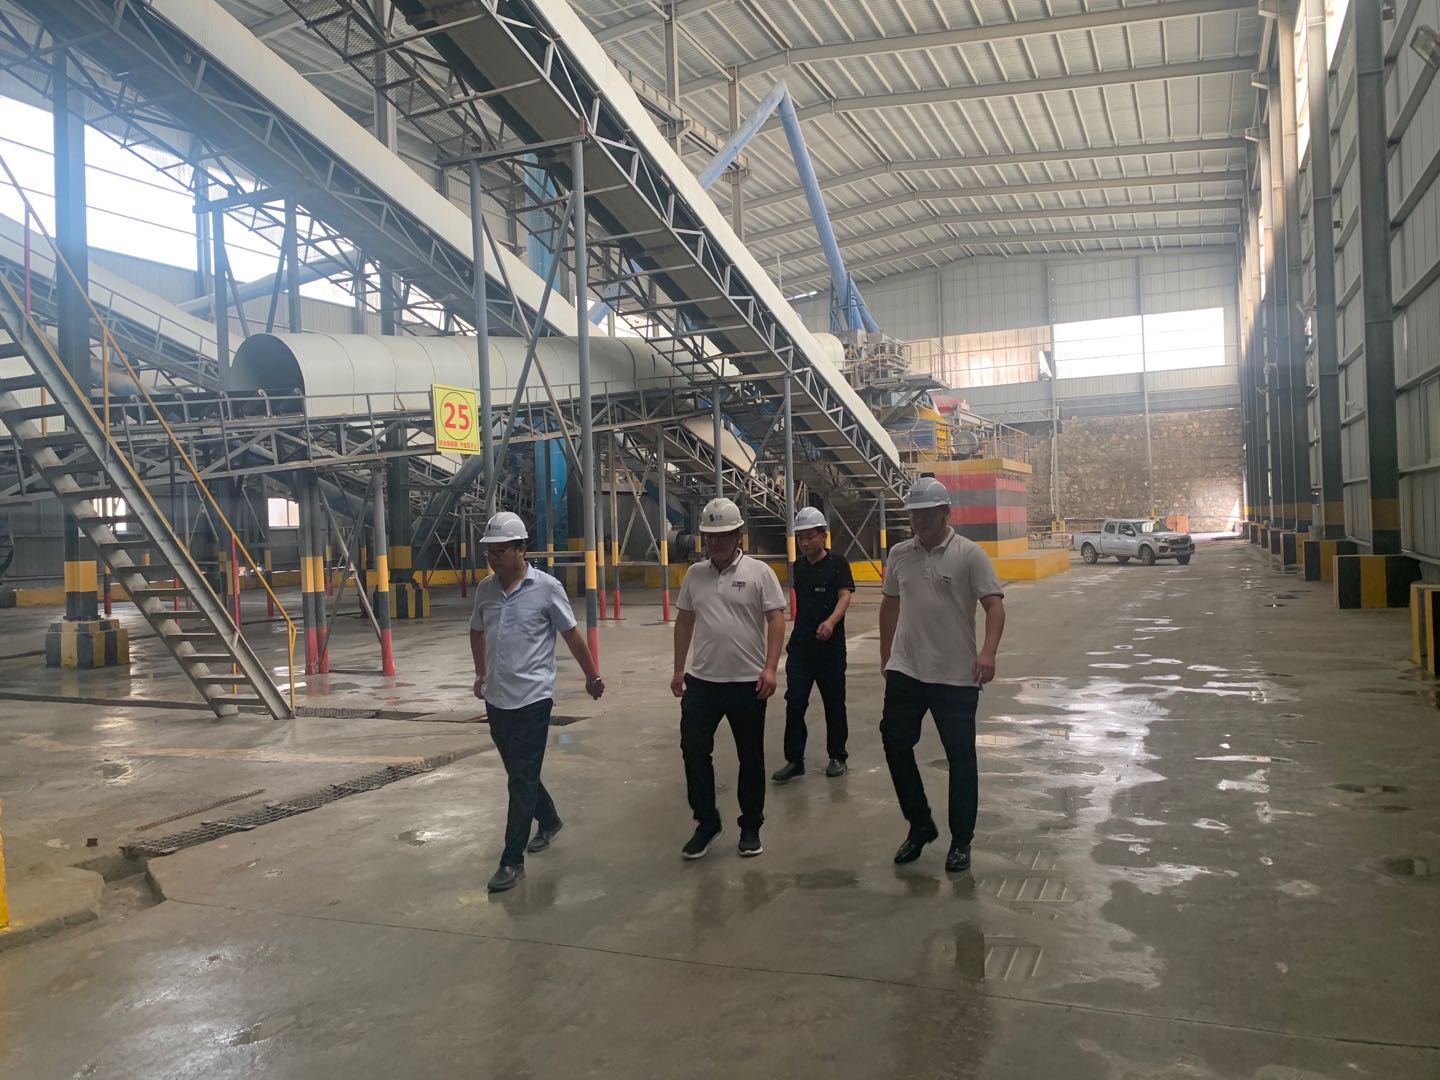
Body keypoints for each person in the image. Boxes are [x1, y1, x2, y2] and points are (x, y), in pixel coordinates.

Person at [470, 511, 604, 893]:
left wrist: (592, 676)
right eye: (490, 552)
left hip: (533, 698)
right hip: (497, 697)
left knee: (521, 779)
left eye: (501, 551)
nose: (494, 558)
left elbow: (572, 635)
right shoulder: (485, 590)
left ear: (521, 549)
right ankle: (549, 819)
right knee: (519, 772)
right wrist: (480, 674)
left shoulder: (547, 588)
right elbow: (476, 631)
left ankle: (511, 860)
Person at [878, 477, 1006, 874]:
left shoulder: (969, 554)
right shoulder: (900, 554)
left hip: (955, 675)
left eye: (927, 513)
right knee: (895, 742)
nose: (920, 520)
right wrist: (886, 657)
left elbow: (994, 606)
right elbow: (889, 605)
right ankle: (920, 825)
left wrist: (988, 653)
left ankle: (961, 841)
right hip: (907, 669)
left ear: (946, 513)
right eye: (914, 514)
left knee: (960, 758)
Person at [671, 496, 786, 859]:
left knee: (750, 757)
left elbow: (776, 618)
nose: (716, 542)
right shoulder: (695, 575)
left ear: (738, 535)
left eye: (723, 535)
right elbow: (684, 621)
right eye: (710, 535)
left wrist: (771, 667)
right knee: (693, 751)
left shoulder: (759, 573)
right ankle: (707, 822)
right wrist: (678, 668)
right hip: (702, 682)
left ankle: (750, 826)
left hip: (748, 683)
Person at [772, 505, 854, 783]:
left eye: (810, 536)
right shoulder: (798, 567)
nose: (805, 543)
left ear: (823, 536)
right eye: (801, 538)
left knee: (834, 703)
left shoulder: (838, 564)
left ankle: (838, 756)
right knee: (795, 703)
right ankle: (795, 760)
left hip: (831, 650)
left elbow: (845, 596)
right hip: (801, 649)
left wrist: (831, 622)